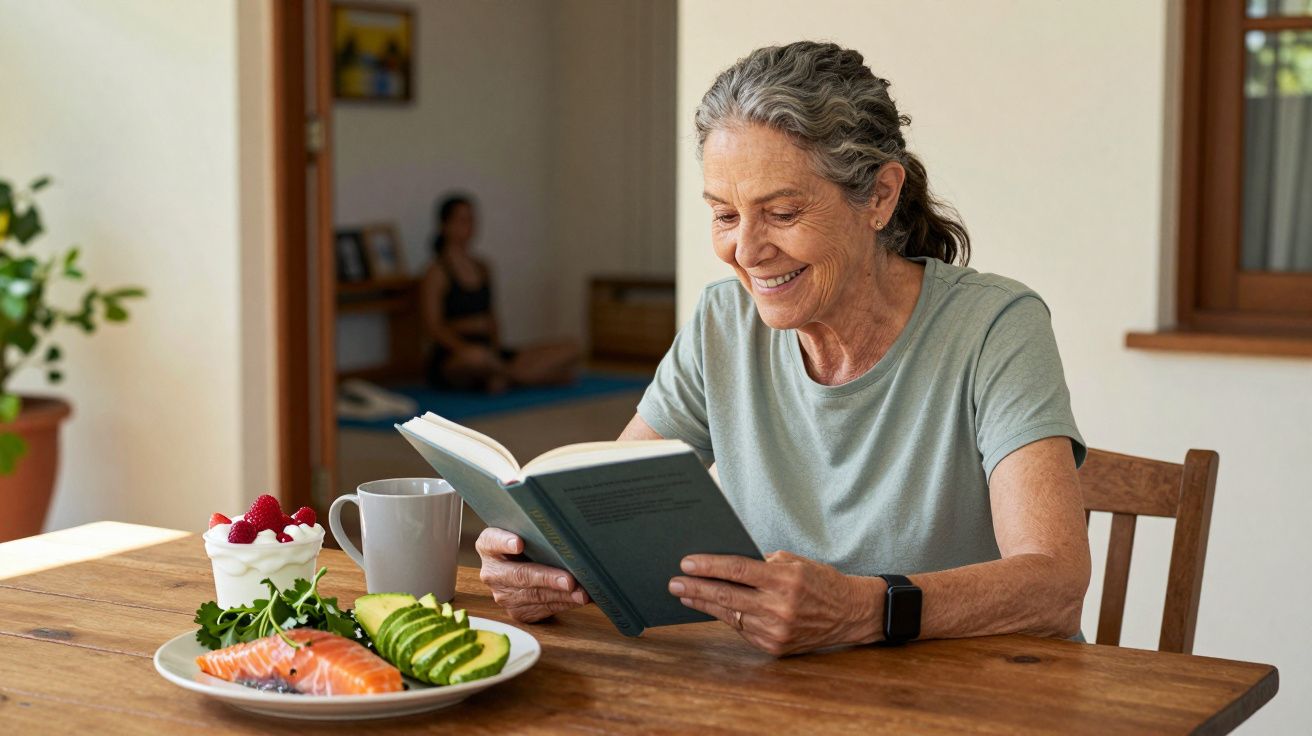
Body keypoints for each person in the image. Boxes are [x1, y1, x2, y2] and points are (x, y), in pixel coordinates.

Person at [476, 41, 1090, 656]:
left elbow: (1056, 584)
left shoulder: (995, 325)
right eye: (725, 215)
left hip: (971, 686)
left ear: (879, 196)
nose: (746, 250)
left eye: (783, 212)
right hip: (787, 687)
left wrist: (862, 609)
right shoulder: (723, 321)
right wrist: (536, 558)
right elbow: (604, 508)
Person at [422, 194, 580, 393]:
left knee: (571, 347)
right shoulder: (436, 272)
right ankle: (527, 377)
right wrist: (467, 333)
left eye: (472, 220)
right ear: (445, 225)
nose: (469, 226)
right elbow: (433, 327)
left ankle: (503, 376)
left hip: (490, 354)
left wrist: (495, 349)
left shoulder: (483, 267)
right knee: (476, 358)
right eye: (462, 220)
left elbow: (493, 317)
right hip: (456, 354)